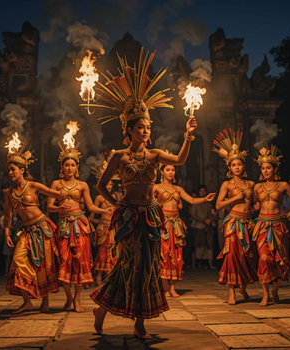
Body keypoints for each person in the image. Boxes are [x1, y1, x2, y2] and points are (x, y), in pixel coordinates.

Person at [88, 47, 197, 338]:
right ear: (130, 129)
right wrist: (115, 205)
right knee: (128, 265)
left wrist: (187, 137)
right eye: (141, 127)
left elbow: (181, 160)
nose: (146, 131)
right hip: (128, 217)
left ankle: (138, 323)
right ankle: (103, 308)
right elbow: (100, 185)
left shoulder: (155, 155)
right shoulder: (119, 156)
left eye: (148, 127)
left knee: (147, 267)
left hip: (150, 216)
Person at [47, 131, 112, 313]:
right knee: (64, 261)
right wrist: (59, 209)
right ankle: (68, 298)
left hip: (80, 225)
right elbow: (49, 206)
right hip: (64, 227)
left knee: (80, 261)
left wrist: (103, 210)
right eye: (66, 165)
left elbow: (90, 206)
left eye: (72, 165)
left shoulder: (82, 185)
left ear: (77, 167)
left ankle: (77, 300)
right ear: (62, 166)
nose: (69, 168)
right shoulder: (55, 184)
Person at [3, 135, 61, 314]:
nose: (11, 173)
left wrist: (66, 195)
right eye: (9, 170)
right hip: (26, 231)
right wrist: (6, 233)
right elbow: (8, 216)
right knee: (17, 260)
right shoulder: (8, 192)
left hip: (43, 228)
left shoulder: (34, 186)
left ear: (22, 170)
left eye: (13, 170)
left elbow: (55, 193)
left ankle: (45, 300)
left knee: (43, 265)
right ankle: (27, 301)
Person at [153, 153, 215, 297]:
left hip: (176, 225)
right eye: (168, 169)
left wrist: (205, 199)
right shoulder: (156, 187)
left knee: (176, 254)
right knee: (164, 254)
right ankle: (164, 288)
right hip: (163, 225)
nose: (171, 172)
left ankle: (173, 287)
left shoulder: (178, 189)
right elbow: (148, 203)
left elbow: (191, 201)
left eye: (173, 170)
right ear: (161, 172)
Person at [212, 129, 258, 305]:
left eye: (239, 164)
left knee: (247, 256)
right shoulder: (226, 184)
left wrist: (256, 208)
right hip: (232, 223)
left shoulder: (252, 184)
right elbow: (218, 205)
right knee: (231, 256)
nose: (237, 167)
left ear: (243, 166)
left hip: (248, 224)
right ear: (229, 168)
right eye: (233, 165)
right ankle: (231, 291)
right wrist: (234, 198)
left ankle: (243, 288)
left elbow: (253, 206)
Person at [253, 145, 290, 306]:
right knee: (264, 258)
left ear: (274, 169)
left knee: (280, 260)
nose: (266, 171)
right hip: (261, 225)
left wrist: (288, 215)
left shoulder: (283, 185)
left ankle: (275, 290)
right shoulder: (257, 186)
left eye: (268, 168)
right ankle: (265, 294)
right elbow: (254, 205)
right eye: (263, 168)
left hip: (278, 226)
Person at [89, 155, 122, 286]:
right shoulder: (99, 198)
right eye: (106, 184)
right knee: (102, 253)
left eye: (110, 184)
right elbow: (91, 217)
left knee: (113, 252)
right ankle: (98, 277)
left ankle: (110, 278)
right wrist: (98, 224)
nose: (108, 186)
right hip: (103, 229)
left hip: (114, 229)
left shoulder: (116, 197)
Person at [190, 185, 215, 269]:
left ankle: (208, 263)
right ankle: (198, 263)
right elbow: (193, 215)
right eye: (201, 191)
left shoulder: (208, 204)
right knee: (198, 245)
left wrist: (209, 220)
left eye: (204, 191)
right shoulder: (195, 203)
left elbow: (212, 214)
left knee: (208, 245)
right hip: (198, 226)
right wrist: (202, 221)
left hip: (207, 227)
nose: (202, 193)